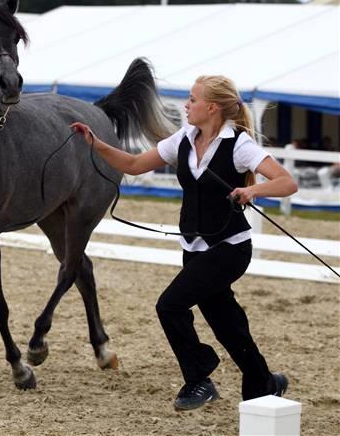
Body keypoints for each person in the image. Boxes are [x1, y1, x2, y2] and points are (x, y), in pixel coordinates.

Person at [71, 75, 298, 411]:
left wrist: (253, 190)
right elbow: (134, 165)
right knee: (227, 322)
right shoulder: (184, 139)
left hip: (229, 248)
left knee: (170, 306)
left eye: (192, 100)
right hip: (194, 248)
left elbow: (286, 182)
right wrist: (95, 144)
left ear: (212, 107)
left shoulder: (239, 145)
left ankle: (199, 378)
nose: (187, 106)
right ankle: (263, 382)